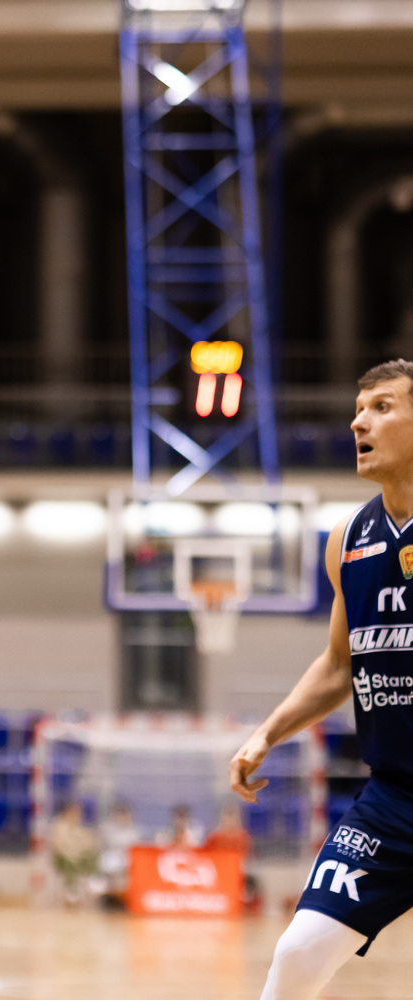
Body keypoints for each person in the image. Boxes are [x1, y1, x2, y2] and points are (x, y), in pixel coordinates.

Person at [229, 359, 413, 1000]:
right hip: (393, 801)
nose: (360, 422)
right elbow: (339, 664)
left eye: (382, 407)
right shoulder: (348, 538)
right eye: (358, 410)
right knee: (298, 952)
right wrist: (267, 733)